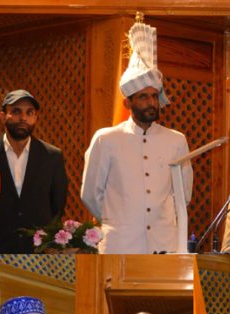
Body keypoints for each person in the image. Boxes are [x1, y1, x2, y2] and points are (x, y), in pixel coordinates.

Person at [81, 20, 192, 253]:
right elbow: (91, 194)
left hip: (164, 243)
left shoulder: (176, 140)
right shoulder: (106, 139)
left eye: (154, 96)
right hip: (120, 243)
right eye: (143, 97)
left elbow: (184, 195)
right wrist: (120, 220)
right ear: (127, 102)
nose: (151, 103)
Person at [0, 90, 68, 253]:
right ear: (3, 116)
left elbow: (57, 206)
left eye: (29, 112)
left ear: (35, 118)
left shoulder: (52, 156)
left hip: (38, 254)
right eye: (16, 111)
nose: (23, 118)